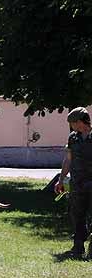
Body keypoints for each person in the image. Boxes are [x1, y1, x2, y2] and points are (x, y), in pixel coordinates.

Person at [55, 107, 92, 258]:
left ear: (80, 122)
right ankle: (78, 247)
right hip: (77, 184)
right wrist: (61, 179)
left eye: (73, 123)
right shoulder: (73, 137)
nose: (72, 126)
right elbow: (68, 159)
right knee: (77, 215)